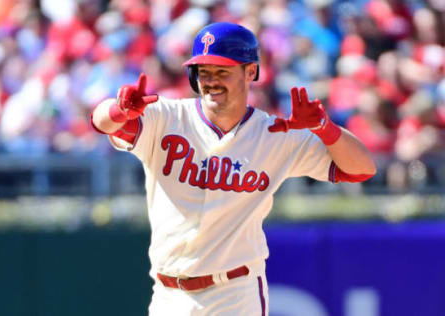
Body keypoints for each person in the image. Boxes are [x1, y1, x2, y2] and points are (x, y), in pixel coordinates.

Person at [91, 22, 376, 316]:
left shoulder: (275, 134)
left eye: (222, 71)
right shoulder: (165, 116)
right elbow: (101, 122)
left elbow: (360, 169)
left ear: (250, 71)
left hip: (234, 293)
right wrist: (119, 110)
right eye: (203, 71)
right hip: (168, 295)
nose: (211, 81)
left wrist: (323, 127)